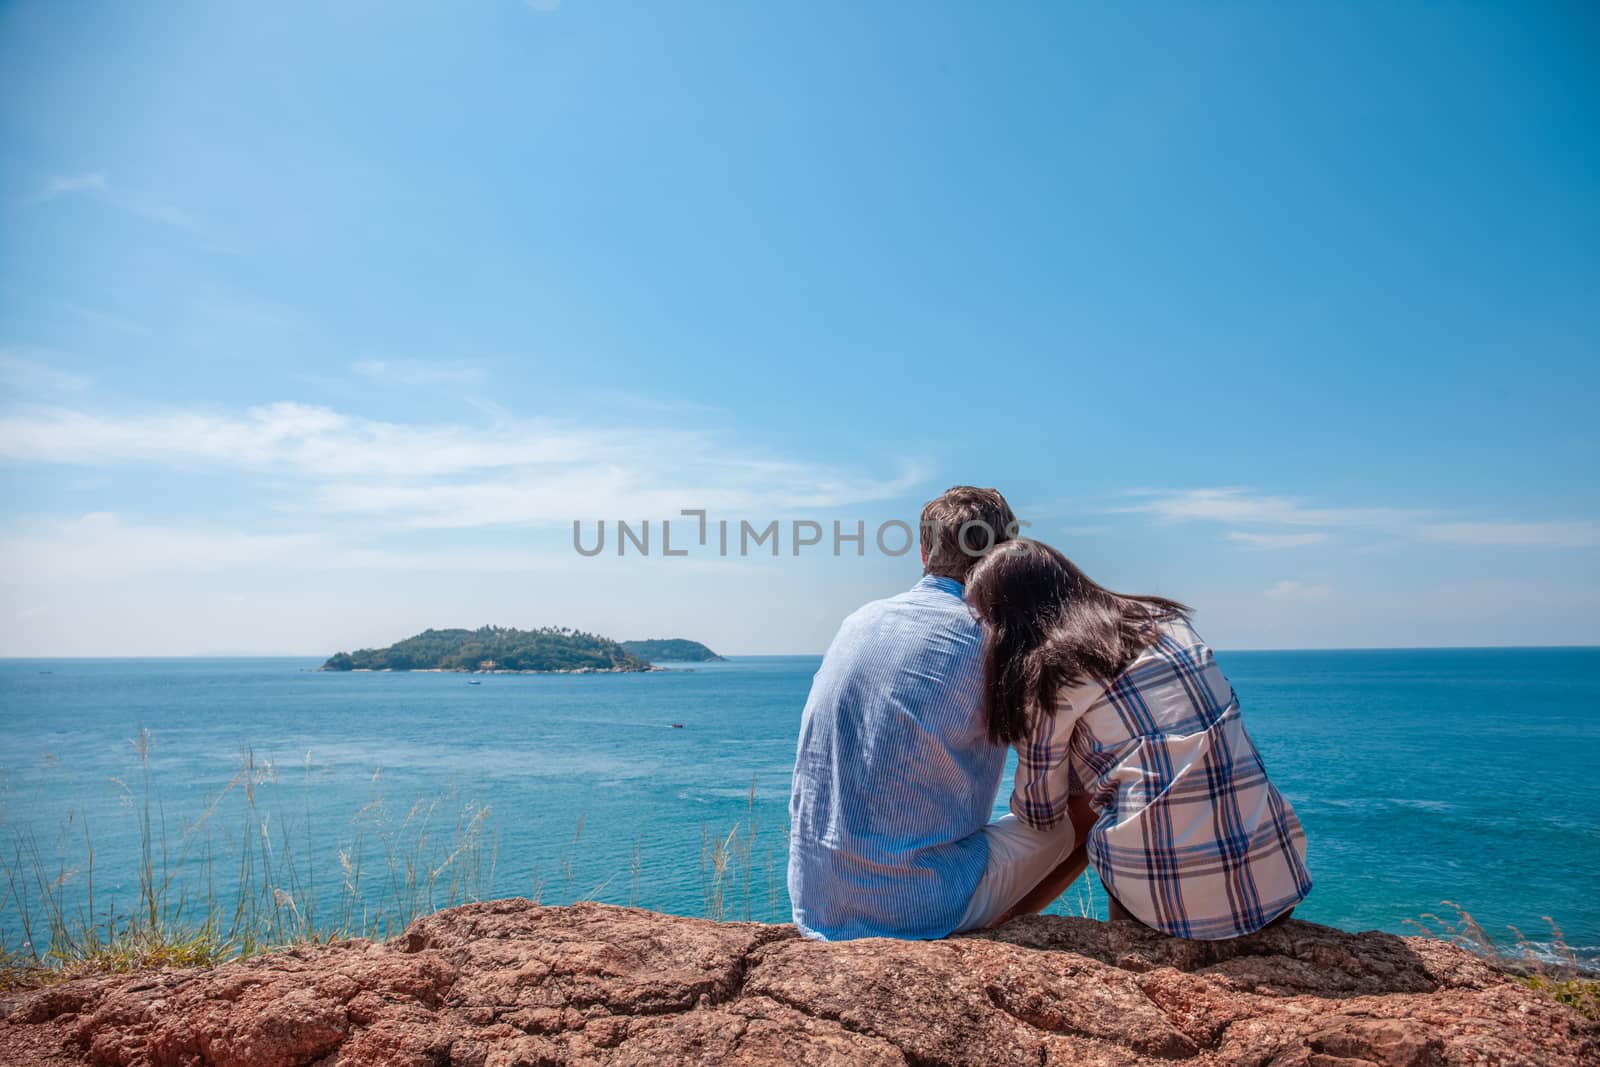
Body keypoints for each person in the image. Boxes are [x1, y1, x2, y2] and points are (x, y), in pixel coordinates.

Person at [788, 486, 1096, 940]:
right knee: (1094, 797)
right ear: (1007, 553)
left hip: (816, 900)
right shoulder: (997, 639)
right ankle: (995, 933)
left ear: (923, 550)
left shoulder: (860, 620)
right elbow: (1057, 789)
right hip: (915, 904)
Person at [964, 538, 1312, 938]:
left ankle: (999, 929)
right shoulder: (1166, 619)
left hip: (1167, 912)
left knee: (1094, 809)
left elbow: (1040, 812)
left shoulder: (1049, 674)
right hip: (1276, 880)